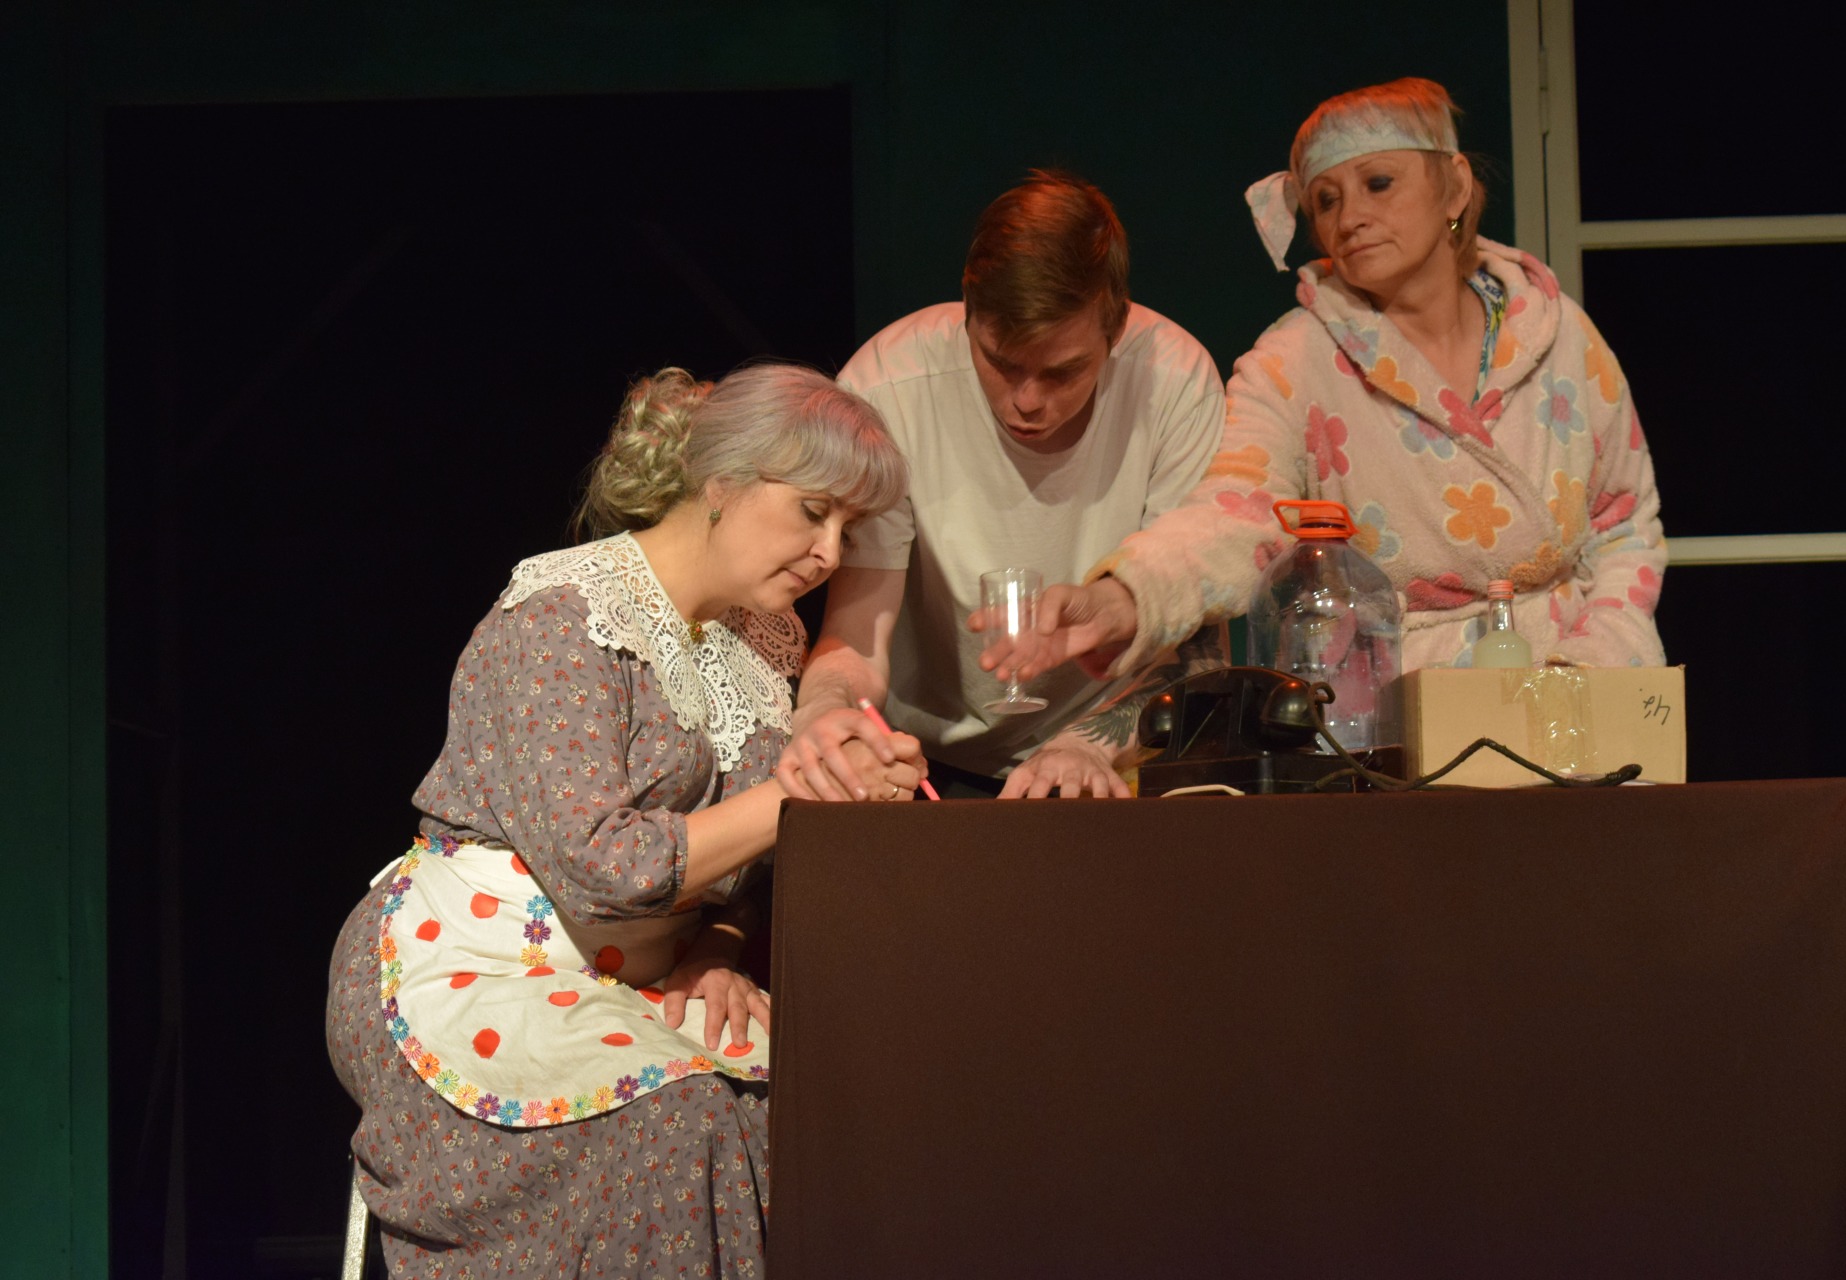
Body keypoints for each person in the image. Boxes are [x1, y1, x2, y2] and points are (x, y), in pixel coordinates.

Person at [326, 364, 921, 1277]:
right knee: (675, 1120)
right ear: (720, 482)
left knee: (828, 1104)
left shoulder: (764, 645)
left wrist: (716, 948)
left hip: (628, 982)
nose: (831, 555)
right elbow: (604, 865)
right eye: (813, 512)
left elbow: (747, 866)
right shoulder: (562, 617)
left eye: (850, 527)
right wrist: (801, 790)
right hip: (475, 968)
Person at [982, 79, 1666, 688]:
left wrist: (1591, 667)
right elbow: (1234, 513)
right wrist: (1124, 598)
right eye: (1326, 200)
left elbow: (1625, 525)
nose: (1349, 217)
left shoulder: (1558, 334)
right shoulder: (1294, 362)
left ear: (1454, 187)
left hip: (1574, 684)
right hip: (1395, 705)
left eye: (1379, 183)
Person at [777, 170, 1227, 801]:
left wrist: (1082, 747)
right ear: (967, 311)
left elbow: (1193, 647)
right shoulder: (887, 387)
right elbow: (856, 636)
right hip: (927, 758)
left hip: (1115, 749)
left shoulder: (1175, 383)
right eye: (1000, 362)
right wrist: (824, 716)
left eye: (1063, 372)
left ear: (1116, 325)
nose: (1027, 401)